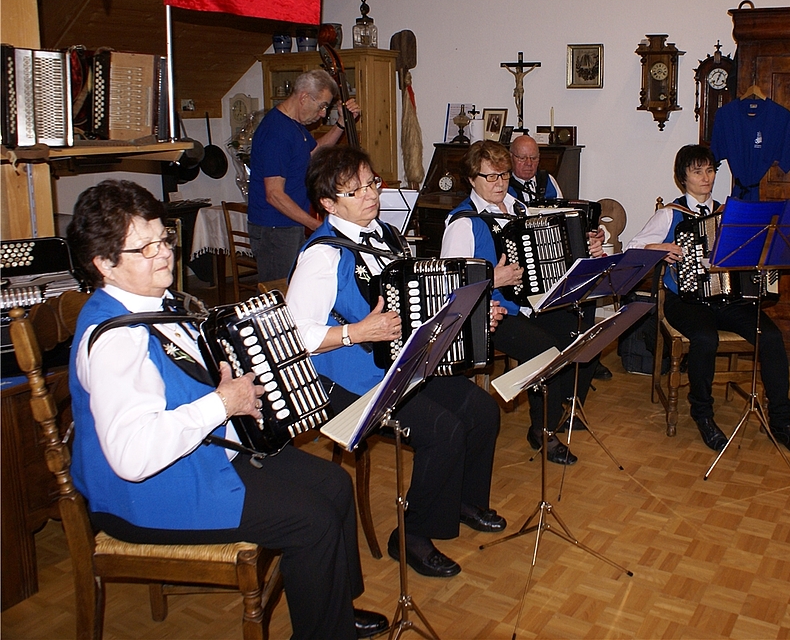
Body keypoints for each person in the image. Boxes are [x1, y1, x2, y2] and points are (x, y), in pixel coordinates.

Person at [65, 180, 388, 640]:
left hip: (207, 453)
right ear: (104, 264)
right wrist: (222, 403)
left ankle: (333, 609)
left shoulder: (159, 303)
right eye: (144, 248)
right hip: (150, 495)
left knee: (334, 484)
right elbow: (132, 458)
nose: (163, 254)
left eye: (164, 238)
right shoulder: (117, 340)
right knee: (311, 521)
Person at [287, 146, 505, 579]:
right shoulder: (322, 256)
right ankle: (411, 535)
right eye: (355, 190)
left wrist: (477, 316)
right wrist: (357, 332)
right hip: (347, 379)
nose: (370, 195)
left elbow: (421, 297)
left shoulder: (385, 235)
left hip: (400, 361)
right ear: (328, 203)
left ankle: (461, 499)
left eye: (372, 184)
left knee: (481, 411)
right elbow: (295, 337)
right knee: (442, 432)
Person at [627, 144, 790, 457]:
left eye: (710, 170)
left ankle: (782, 422)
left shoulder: (730, 213)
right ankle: (703, 414)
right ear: (681, 178)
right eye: (697, 171)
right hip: (684, 300)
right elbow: (635, 248)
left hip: (729, 300)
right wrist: (662, 248)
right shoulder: (671, 214)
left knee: (771, 337)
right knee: (704, 339)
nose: (706, 177)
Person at [441, 140, 604, 465]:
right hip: (485, 314)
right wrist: (492, 279)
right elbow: (447, 286)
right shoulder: (463, 224)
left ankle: (561, 410)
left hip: (527, 305)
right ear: (472, 179)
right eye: (490, 177)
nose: (500, 182)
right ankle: (543, 431)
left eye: (503, 174)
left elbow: (553, 246)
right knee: (543, 348)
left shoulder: (517, 208)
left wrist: (588, 247)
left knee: (580, 331)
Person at [507, 134, 612, 381]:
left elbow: (565, 217)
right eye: (522, 158)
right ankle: (554, 357)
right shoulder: (504, 189)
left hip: (554, 256)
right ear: (511, 159)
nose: (528, 163)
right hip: (525, 262)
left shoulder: (548, 181)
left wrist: (589, 232)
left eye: (533, 158)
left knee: (585, 295)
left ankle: (581, 356)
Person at [248, 68, 361, 283]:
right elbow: (273, 194)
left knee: (295, 287)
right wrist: (315, 224)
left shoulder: (294, 126)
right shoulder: (277, 132)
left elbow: (313, 152)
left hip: (287, 225)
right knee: (280, 294)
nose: (321, 114)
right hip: (275, 229)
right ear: (304, 97)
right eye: (321, 106)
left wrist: (341, 125)